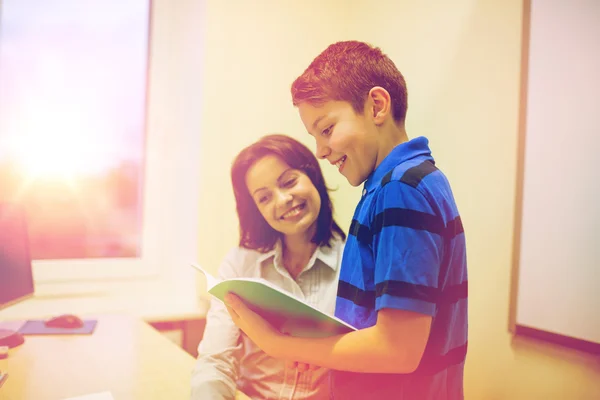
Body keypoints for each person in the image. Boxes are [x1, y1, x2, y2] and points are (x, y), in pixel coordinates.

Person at [223, 41, 468, 400]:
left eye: (327, 130)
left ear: (377, 106)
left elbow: (397, 349)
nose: (321, 151)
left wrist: (279, 345)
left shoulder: (400, 189)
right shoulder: (413, 180)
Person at [191, 134, 347, 400]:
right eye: (264, 198)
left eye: (289, 182)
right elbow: (216, 360)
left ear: (313, 177)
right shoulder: (240, 264)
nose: (282, 200)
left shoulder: (356, 261)